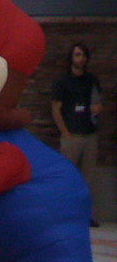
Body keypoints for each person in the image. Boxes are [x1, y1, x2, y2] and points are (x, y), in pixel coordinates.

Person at [51, 42, 103, 225]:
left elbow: (98, 102)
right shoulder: (63, 82)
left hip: (89, 134)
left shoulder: (92, 80)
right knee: (67, 177)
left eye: (83, 55)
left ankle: (86, 216)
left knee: (88, 178)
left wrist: (98, 108)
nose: (80, 58)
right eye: (77, 54)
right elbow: (56, 109)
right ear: (71, 58)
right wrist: (65, 133)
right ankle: (64, 215)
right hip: (71, 135)